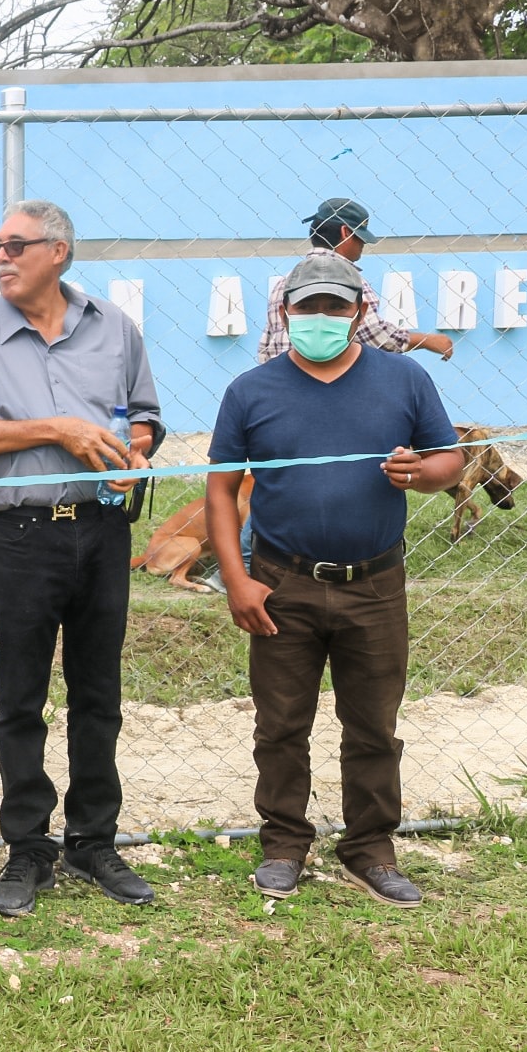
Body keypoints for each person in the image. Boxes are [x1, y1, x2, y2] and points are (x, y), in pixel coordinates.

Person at [0, 198, 164, 918]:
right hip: (23, 537)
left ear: (57, 252)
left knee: (98, 695)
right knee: (20, 700)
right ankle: (28, 846)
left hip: (102, 532)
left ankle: (94, 840)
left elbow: (147, 416)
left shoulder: (115, 328)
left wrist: (138, 455)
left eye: (13, 246)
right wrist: (55, 429)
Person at [206, 254, 461, 908]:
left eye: (334, 307)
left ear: (361, 312)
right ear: (285, 311)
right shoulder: (251, 391)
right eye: (307, 307)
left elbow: (449, 458)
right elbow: (221, 486)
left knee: (373, 725)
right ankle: (285, 842)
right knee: (281, 722)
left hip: (374, 585)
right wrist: (235, 579)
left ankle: (370, 848)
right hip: (281, 583)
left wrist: (424, 475)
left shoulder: (403, 380)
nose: (320, 319)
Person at [256, 198, 455, 364]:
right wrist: (426, 340)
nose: (362, 245)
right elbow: (376, 337)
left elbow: (266, 348)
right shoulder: (348, 279)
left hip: (281, 383)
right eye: (360, 237)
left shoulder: (285, 282)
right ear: (345, 232)